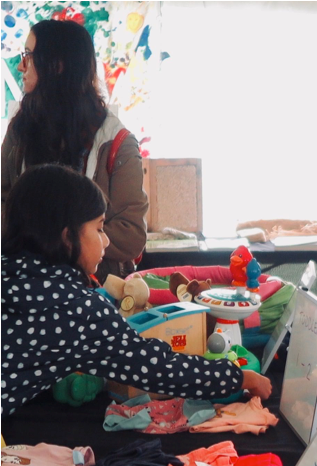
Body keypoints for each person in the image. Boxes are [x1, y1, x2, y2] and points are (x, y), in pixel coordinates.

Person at [1, 165, 273, 418]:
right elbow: (158, 368)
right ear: (66, 237)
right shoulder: (76, 310)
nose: (106, 240)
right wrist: (239, 377)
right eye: (98, 228)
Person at [0, 20, 148, 284]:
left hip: (94, 294)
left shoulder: (115, 140)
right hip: (23, 290)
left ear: (57, 65)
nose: (21, 66)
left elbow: (131, 235)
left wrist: (49, 239)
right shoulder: (20, 130)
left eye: (28, 56)